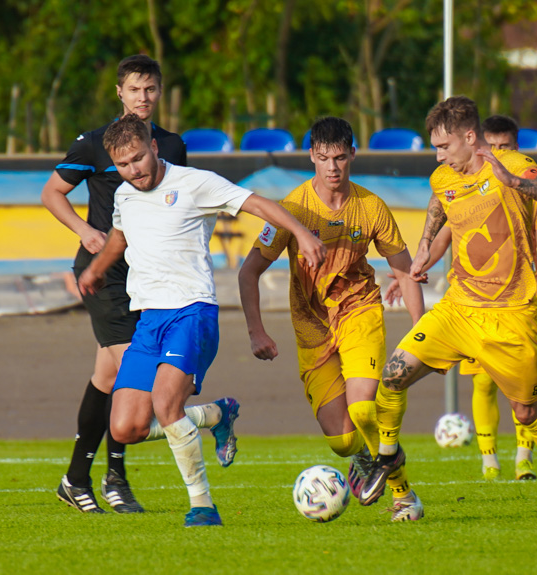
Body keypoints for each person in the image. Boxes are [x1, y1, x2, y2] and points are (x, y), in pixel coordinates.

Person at [77, 113, 325, 527]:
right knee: (124, 428)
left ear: (153, 148)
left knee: (166, 403)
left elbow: (257, 203)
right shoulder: (124, 195)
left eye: (138, 158)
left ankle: (203, 506)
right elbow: (119, 237)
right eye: (123, 165)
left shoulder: (195, 183)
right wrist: (98, 268)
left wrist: (301, 234)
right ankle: (216, 415)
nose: (133, 170)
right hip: (149, 321)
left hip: (192, 312)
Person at [360, 96, 537, 523]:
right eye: (435, 148)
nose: (438, 156)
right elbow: (440, 214)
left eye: (444, 146)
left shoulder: (514, 166)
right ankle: (388, 455)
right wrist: (420, 257)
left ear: (469, 137)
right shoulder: (442, 178)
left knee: (526, 412)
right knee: (393, 375)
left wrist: (514, 183)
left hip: (513, 313)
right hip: (459, 308)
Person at [41, 55, 239, 515]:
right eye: (134, 90)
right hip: (106, 275)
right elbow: (51, 192)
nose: (143, 98)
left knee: (107, 377)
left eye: (150, 89)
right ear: (120, 94)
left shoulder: (171, 144)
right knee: (137, 382)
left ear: (159, 92)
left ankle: (75, 478)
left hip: (150, 280)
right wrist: (84, 232)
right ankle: (116, 476)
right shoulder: (96, 144)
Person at [237, 117, 426, 521]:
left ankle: (404, 497)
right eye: (323, 158)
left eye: (340, 157)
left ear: (352, 154)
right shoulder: (291, 209)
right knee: (341, 440)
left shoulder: (371, 207)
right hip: (312, 328)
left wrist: (421, 329)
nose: (332, 168)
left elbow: (406, 270)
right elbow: (248, 271)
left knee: (362, 410)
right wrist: (256, 331)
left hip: (360, 311)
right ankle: (363, 459)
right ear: (311, 157)